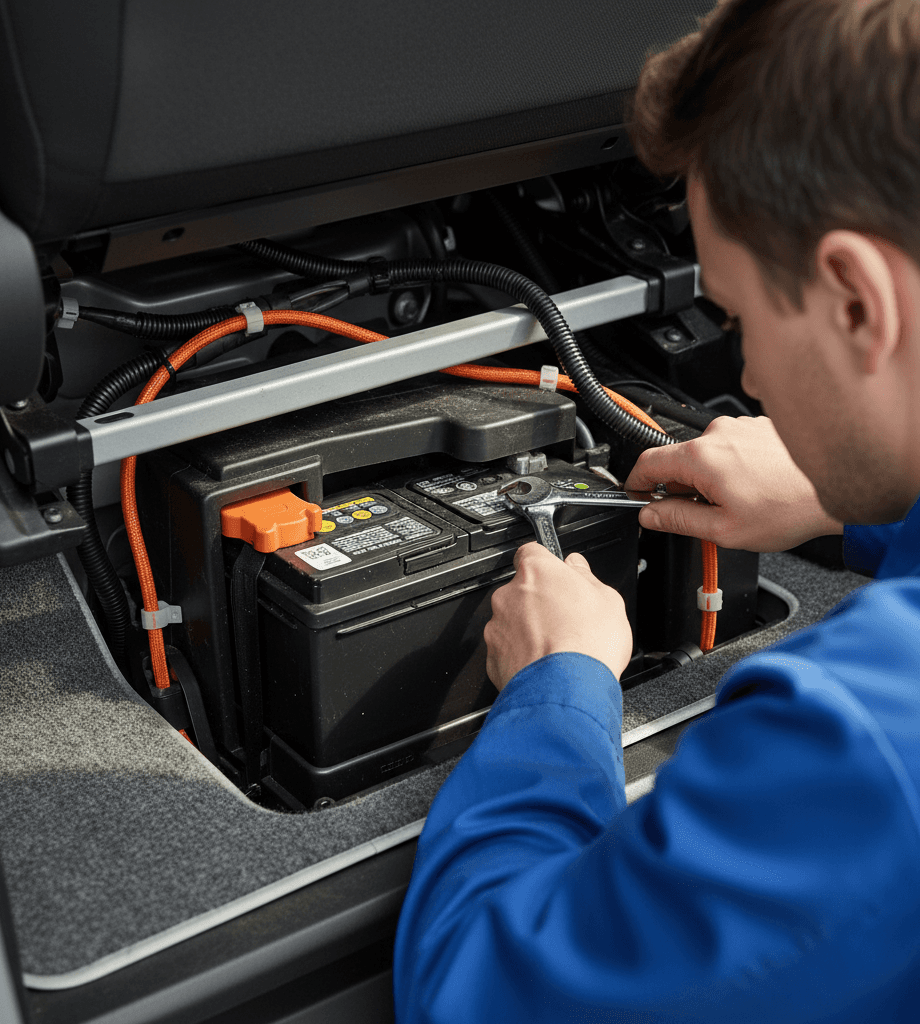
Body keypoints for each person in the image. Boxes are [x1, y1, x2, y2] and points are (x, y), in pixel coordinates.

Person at [393, 1, 920, 1021]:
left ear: (858, 301)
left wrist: (557, 687)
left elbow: (480, 991)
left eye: (739, 319)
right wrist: (843, 494)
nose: (747, 379)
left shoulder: (860, 742)